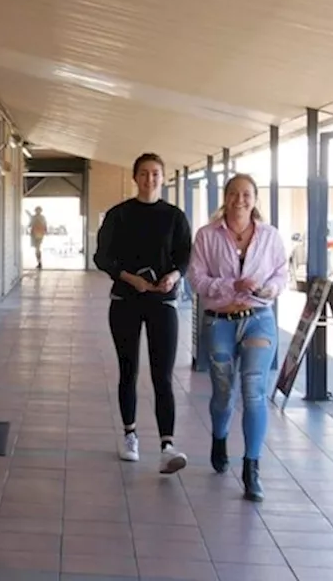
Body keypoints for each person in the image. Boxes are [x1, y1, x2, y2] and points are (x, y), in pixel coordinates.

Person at [188, 173, 287, 502]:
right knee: (223, 392)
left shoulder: (271, 237)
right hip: (220, 321)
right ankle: (219, 437)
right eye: (234, 194)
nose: (240, 200)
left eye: (246, 194)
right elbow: (197, 279)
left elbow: (280, 274)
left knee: (253, 390)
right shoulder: (206, 236)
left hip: (258, 318)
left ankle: (251, 467)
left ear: (255, 199)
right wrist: (231, 286)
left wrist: (265, 289)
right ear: (225, 198)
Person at [93, 153, 192, 473]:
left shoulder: (175, 217)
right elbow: (102, 257)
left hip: (162, 303)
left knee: (162, 374)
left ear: (163, 178)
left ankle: (167, 445)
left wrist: (173, 277)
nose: (150, 179)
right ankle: (130, 435)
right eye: (144, 174)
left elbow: (185, 257)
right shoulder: (119, 215)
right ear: (135, 177)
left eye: (156, 174)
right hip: (125, 301)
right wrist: (128, 277)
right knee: (129, 369)